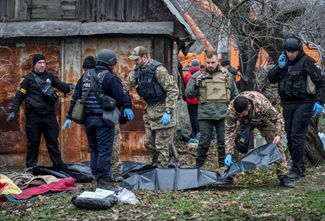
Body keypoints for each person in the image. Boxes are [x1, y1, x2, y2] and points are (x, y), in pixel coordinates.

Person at [62, 50, 134, 190]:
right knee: (105, 151)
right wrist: (127, 106)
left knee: (94, 150)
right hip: (104, 120)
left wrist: (69, 116)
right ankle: (105, 182)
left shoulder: (85, 76)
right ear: (111, 62)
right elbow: (121, 95)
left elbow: (76, 98)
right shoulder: (110, 78)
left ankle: (95, 179)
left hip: (88, 121)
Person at [268, 35, 325, 180]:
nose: (291, 54)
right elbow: (271, 78)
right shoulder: (284, 62)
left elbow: (321, 82)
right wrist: (279, 68)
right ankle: (297, 166)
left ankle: (298, 169)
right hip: (287, 103)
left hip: (304, 102)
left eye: (293, 51)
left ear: (298, 50)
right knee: (289, 135)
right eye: (288, 51)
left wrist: (320, 101)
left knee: (296, 136)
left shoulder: (307, 61)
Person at [6, 54, 74, 170]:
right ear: (35, 64)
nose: (42, 65)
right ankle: (30, 167)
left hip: (49, 116)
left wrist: (72, 87)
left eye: (44, 63)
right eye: (40, 63)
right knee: (33, 143)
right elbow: (19, 96)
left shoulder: (50, 77)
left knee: (52, 142)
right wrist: (13, 111)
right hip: (34, 117)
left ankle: (58, 166)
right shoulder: (28, 79)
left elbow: (62, 86)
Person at [224, 91, 294, 188]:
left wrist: (278, 135)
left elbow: (278, 119)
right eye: (238, 114)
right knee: (235, 143)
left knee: (276, 144)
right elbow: (229, 131)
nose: (240, 115)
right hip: (244, 123)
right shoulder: (232, 109)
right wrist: (228, 153)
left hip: (262, 120)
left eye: (242, 113)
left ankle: (283, 176)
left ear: (248, 107)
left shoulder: (262, 104)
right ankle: (229, 175)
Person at [124, 46, 179, 167]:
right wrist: (124, 103)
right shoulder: (137, 72)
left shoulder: (159, 70)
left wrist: (169, 111)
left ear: (145, 57)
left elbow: (173, 90)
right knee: (149, 143)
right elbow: (125, 86)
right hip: (150, 110)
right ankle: (156, 166)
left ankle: (163, 172)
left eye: (137, 59)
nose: (135, 62)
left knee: (161, 145)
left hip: (163, 109)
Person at [185, 51, 238, 168]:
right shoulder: (197, 76)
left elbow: (235, 95)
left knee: (223, 143)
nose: (210, 65)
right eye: (208, 62)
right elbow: (188, 94)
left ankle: (224, 170)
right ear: (204, 61)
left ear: (218, 61)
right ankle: (197, 169)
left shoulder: (227, 75)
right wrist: (196, 85)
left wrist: (234, 113)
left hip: (223, 114)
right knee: (204, 143)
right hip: (205, 115)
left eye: (213, 62)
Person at [183, 59, 201, 143]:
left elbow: (188, 89)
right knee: (198, 118)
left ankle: (195, 133)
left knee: (193, 118)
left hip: (191, 101)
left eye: (190, 66)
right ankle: (198, 133)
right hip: (199, 100)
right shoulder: (201, 75)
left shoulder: (188, 76)